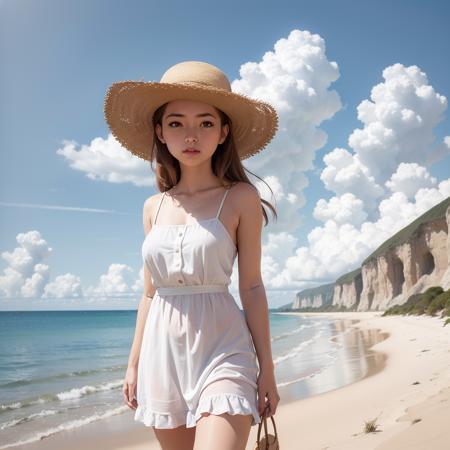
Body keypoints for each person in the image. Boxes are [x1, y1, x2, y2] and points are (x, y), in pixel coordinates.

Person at [104, 60, 280, 450]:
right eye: (176, 122)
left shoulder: (240, 197)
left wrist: (267, 369)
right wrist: (133, 364)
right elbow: (149, 294)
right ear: (159, 132)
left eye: (205, 123)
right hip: (161, 357)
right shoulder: (153, 207)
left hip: (225, 351)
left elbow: (251, 287)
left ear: (223, 132)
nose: (191, 135)